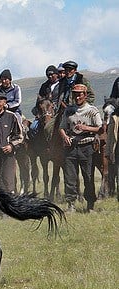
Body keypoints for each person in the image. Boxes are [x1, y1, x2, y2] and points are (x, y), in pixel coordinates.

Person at [58, 84, 103, 213]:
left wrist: (86, 128)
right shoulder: (69, 110)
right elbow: (61, 127)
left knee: (88, 176)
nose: (77, 96)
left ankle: (90, 205)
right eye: (75, 94)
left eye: (80, 94)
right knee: (70, 177)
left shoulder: (92, 110)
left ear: (85, 95)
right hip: (71, 147)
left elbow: (100, 129)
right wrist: (64, 136)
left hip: (87, 146)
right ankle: (71, 204)